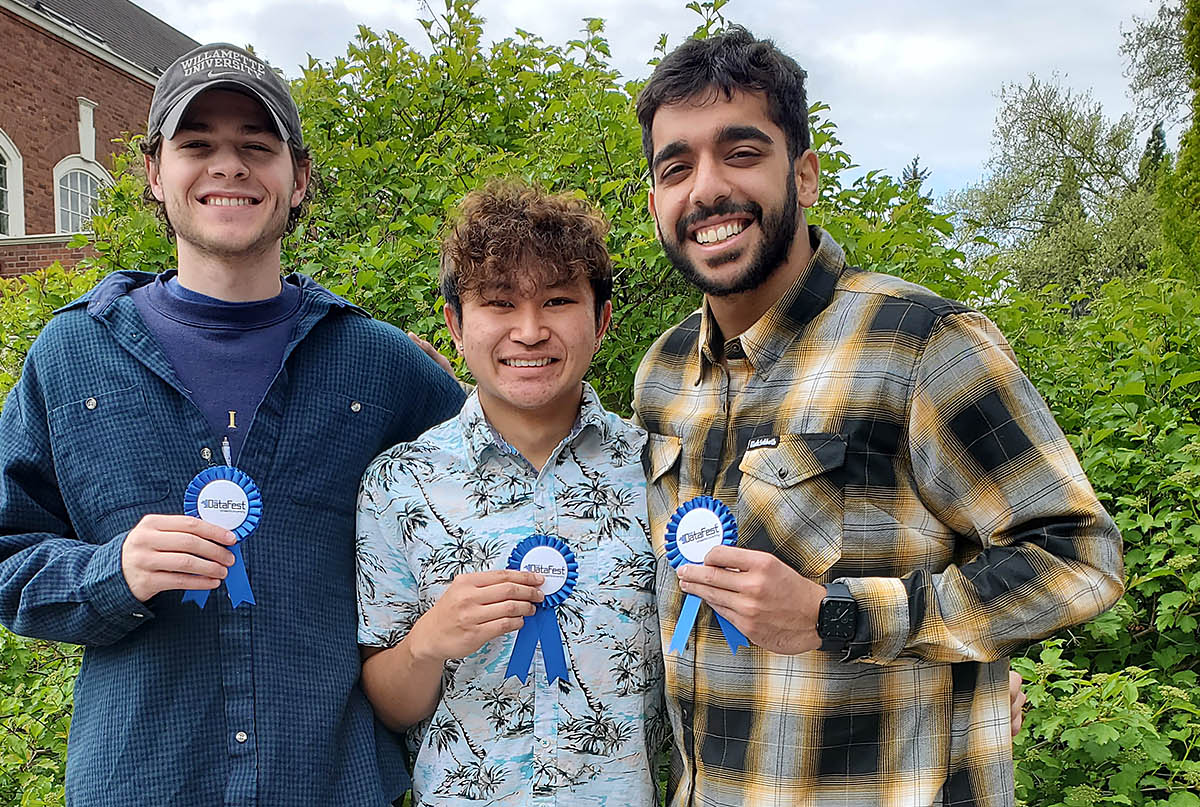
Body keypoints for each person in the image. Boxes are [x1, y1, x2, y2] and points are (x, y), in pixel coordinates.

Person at [0, 43, 464, 806]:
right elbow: (1, 554)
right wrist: (112, 571)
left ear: (298, 179)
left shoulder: (380, 365)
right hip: (141, 781)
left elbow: (501, 479)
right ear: (156, 172)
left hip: (330, 784)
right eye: (197, 145)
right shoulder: (72, 355)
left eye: (256, 147)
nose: (227, 166)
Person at [631, 28, 1123, 805]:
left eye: (742, 152)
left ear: (805, 173)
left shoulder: (923, 343)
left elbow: (1078, 557)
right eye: (677, 166)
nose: (707, 188)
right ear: (656, 199)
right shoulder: (662, 371)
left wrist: (839, 616)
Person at [355, 180, 665, 805]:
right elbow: (389, 706)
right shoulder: (399, 483)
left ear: (601, 321)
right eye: (499, 303)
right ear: (455, 324)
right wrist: (427, 642)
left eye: (556, 301)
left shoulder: (659, 471)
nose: (529, 331)